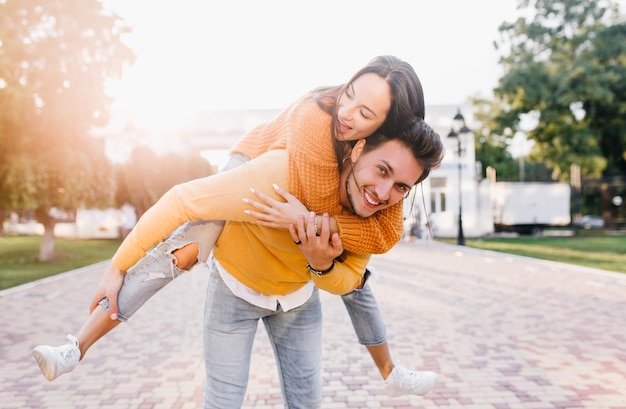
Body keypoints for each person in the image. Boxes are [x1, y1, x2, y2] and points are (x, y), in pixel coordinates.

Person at [32, 56, 439, 397]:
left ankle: (388, 370)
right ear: (365, 146)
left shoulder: (383, 186)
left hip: (294, 295)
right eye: (349, 98)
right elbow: (185, 200)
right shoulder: (313, 127)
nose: (346, 113)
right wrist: (116, 265)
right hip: (252, 165)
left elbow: (374, 242)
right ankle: (77, 345)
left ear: (387, 129)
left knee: (358, 279)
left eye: (365, 113)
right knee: (190, 245)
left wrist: (323, 253)